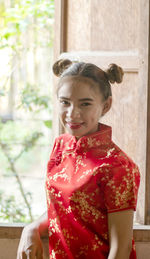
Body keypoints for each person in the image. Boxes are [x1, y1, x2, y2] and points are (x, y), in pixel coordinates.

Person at [17, 59, 140, 259]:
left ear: (106, 105)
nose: (72, 114)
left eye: (85, 104)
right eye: (65, 102)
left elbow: (122, 249)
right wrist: (32, 228)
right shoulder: (61, 147)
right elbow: (65, 208)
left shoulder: (117, 166)